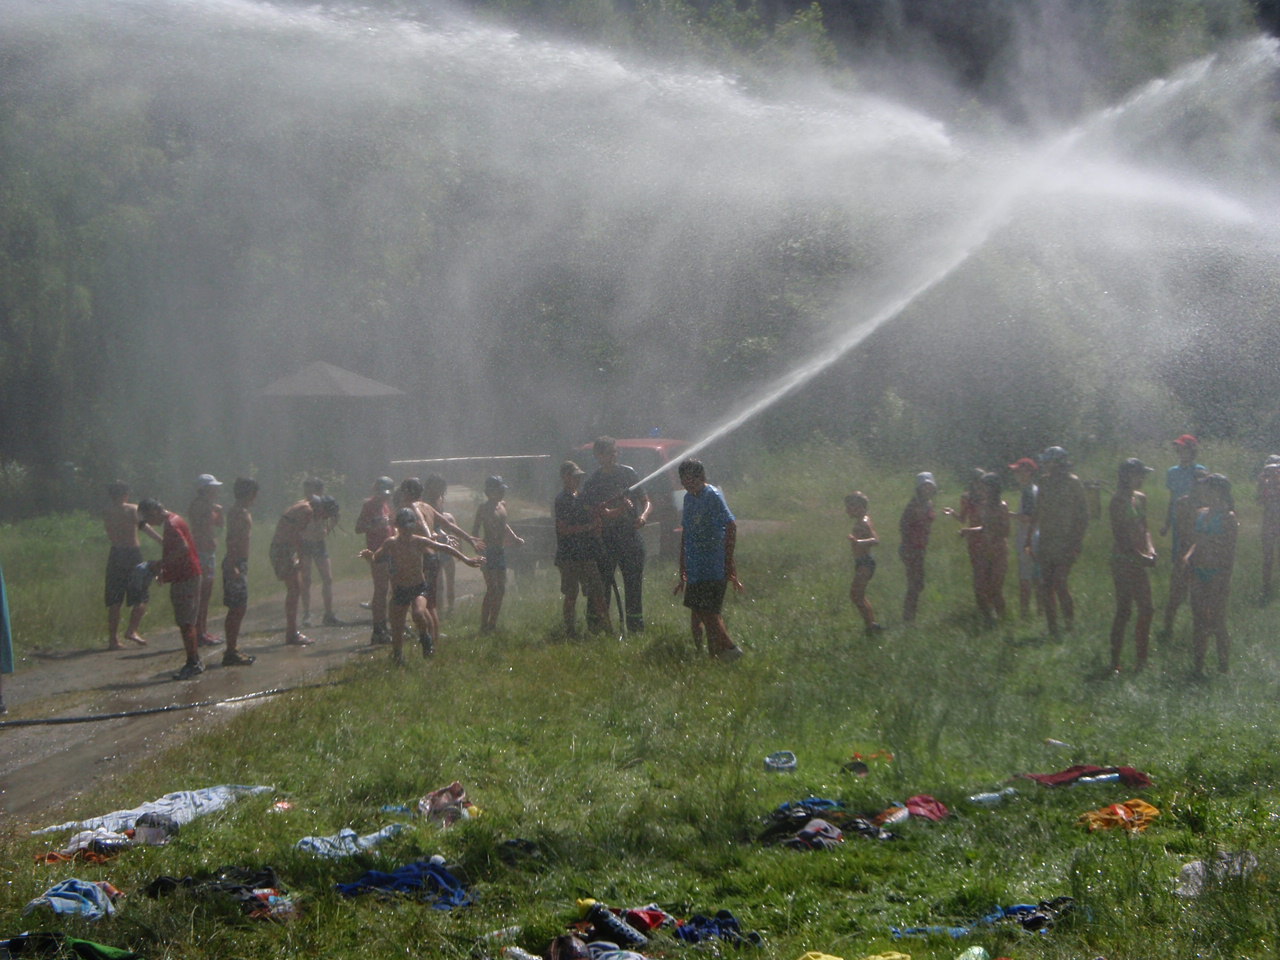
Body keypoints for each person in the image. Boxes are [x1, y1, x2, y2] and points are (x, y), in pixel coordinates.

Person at [360, 508, 481, 664]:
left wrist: (466, 559)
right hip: (399, 589)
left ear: (415, 526)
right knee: (397, 625)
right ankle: (397, 656)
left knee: (418, 612)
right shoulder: (391, 543)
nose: (406, 532)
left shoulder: (418, 541)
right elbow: (377, 558)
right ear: (397, 527)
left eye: (409, 528)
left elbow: (443, 548)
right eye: (403, 528)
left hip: (419, 588)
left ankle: (425, 638)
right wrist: (369, 557)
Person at [398, 477, 483, 648]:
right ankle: (434, 643)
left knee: (423, 605)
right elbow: (448, 525)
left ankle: (429, 642)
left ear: (407, 492)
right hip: (433, 558)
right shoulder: (427, 506)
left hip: (423, 559)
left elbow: (424, 524)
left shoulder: (413, 507)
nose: (400, 495)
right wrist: (469, 538)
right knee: (430, 605)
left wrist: (430, 535)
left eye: (402, 492)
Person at [674, 458, 743, 659]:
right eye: (684, 480)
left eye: (691, 479)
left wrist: (728, 561)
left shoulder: (712, 495)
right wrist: (683, 565)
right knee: (699, 611)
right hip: (695, 566)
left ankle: (730, 648)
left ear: (701, 477)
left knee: (708, 611)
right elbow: (686, 532)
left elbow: (731, 526)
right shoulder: (688, 499)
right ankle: (715, 655)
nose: (688, 483)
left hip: (712, 564)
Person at [582, 436, 650, 634]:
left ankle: (635, 629)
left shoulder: (629, 473)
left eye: (615, 452)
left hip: (630, 538)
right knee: (602, 584)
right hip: (607, 541)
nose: (614, 456)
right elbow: (601, 513)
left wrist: (643, 516)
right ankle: (598, 627)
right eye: (609, 453)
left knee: (633, 584)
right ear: (598, 455)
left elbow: (646, 501)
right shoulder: (594, 482)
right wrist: (622, 509)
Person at [137, 499, 204, 680]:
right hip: (187, 575)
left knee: (186, 623)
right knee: (186, 621)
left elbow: (183, 548)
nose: (149, 523)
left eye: (148, 517)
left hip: (186, 577)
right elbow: (174, 549)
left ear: (154, 511)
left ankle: (193, 663)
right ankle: (194, 660)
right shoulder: (174, 520)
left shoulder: (171, 525)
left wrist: (160, 564)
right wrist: (165, 570)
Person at [1031, 446, 1089, 639]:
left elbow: (1083, 516)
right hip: (1046, 540)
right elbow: (1037, 511)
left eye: (1048, 461)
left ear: (1059, 463)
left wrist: (1077, 542)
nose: (1045, 465)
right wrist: (1030, 539)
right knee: (1046, 585)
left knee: (1060, 582)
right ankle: (1052, 628)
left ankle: (1069, 625)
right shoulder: (1043, 482)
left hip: (1066, 541)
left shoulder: (1073, 483)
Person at [1184, 474, 1238, 677]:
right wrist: (1187, 557)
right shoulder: (1201, 513)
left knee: (1217, 621)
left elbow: (1229, 552)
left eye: (1207, 488)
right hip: (1198, 571)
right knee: (1199, 620)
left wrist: (1223, 578)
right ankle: (1198, 666)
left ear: (1219, 491)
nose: (1203, 492)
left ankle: (1223, 667)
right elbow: (1196, 541)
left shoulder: (1229, 518)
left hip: (1218, 574)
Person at [269, 493, 340, 647]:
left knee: (295, 589)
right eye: (325, 515)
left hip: (282, 548)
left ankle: (292, 631)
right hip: (284, 550)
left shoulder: (304, 505)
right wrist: (300, 559)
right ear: (322, 508)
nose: (322, 518)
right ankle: (291, 634)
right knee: (295, 590)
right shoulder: (307, 511)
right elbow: (297, 536)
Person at [1108, 459, 1156, 674]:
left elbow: (1145, 529)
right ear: (1127, 475)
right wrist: (1140, 556)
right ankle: (1115, 662)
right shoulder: (1117, 501)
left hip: (1139, 559)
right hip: (1123, 561)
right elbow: (1120, 536)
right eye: (1139, 474)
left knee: (1147, 609)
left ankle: (1141, 660)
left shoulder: (1140, 498)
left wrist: (1151, 550)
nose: (1142, 478)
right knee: (1124, 610)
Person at [102, 480, 161, 650]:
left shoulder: (107, 511)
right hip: (132, 554)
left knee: (115, 598)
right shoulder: (132, 509)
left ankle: (113, 639)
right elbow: (145, 528)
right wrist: (162, 541)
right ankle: (132, 630)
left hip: (115, 553)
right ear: (126, 494)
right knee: (141, 594)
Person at [554, 460, 609, 638]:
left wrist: (597, 520)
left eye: (579, 477)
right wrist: (587, 527)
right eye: (574, 476)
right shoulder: (561, 500)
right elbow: (563, 529)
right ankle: (570, 630)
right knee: (571, 594)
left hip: (587, 553)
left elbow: (594, 514)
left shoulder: (583, 497)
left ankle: (607, 628)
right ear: (565, 477)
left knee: (597, 592)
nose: (578, 480)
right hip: (568, 555)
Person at [1158, 467, 1207, 641]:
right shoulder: (1183, 502)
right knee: (1176, 596)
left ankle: (1199, 633)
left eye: (1203, 483)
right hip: (1185, 553)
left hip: (1204, 556)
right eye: (1197, 482)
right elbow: (1183, 531)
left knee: (1200, 599)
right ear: (1192, 483)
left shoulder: (1210, 505)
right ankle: (1167, 629)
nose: (1200, 486)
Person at [473, 475, 525, 633]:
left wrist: (514, 538)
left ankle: (492, 624)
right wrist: (476, 544)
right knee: (492, 588)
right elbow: (475, 530)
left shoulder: (502, 505)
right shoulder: (483, 508)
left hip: (499, 551)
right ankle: (483, 625)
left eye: (503, 489)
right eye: (499, 490)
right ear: (490, 491)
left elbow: (504, 525)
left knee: (501, 589)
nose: (502, 492)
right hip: (488, 551)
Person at [959, 473, 1010, 624]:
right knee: (980, 588)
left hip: (999, 551)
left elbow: (1006, 531)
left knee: (995, 589)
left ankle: (1002, 620)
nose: (981, 490)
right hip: (984, 550)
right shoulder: (984, 506)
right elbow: (984, 527)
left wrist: (991, 532)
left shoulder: (1002, 506)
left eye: (985, 487)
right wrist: (969, 531)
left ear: (993, 488)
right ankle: (988, 619)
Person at [220, 478, 259, 666]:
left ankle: (232, 648)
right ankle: (231, 651)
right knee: (236, 608)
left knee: (239, 607)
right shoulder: (238, 513)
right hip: (235, 562)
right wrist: (233, 564)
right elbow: (232, 539)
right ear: (249, 493)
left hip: (239, 562)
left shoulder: (241, 511)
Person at [355, 476, 396, 645]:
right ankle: (379, 630)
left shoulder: (386, 505)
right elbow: (358, 528)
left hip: (390, 550)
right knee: (381, 590)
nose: (384, 496)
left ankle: (389, 625)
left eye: (387, 494)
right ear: (376, 491)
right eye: (381, 493)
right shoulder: (369, 505)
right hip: (376, 551)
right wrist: (374, 526)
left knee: (391, 589)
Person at [188, 474, 225, 648]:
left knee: (206, 593)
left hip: (208, 551)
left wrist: (218, 512)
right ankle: (199, 632)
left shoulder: (209, 506)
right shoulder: (199, 505)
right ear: (204, 489)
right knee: (202, 593)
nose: (216, 490)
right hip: (201, 551)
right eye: (213, 487)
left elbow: (220, 526)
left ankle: (203, 630)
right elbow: (201, 525)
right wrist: (212, 511)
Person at [298, 478, 341, 628]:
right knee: (306, 579)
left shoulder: (324, 503)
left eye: (313, 489)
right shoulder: (302, 505)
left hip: (319, 543)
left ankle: (328, 614)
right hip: (304, 543)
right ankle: (306, 614)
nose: (310, 493)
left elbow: (336, 515)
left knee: (327, 578)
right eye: (307, 489)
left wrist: (327, 529)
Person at [898, 472, 937, 624]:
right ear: (919, 488)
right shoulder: (914, 505)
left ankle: (909, 615)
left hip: (920, 547)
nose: (927, 489)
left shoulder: (928, 503)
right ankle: (908, 619)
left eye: (929, 486)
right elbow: (903, 526)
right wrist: (909, 546)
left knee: (918, 584)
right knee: (915, 584)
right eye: (924, 486)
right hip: (911, 548)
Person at [845, 492, 883, 635]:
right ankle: (871, 625)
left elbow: (876, 540)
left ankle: (872, 626)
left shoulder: (864, 522)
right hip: (861, 562)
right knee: (858, 595)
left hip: (865, 562)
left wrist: (858, 542)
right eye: (847, 506)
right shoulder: (861, 521)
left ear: (861, 507)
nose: (848, 510)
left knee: (856, 595)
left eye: (851, 506)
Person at [1008, 458, 1040, 618]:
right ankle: (1041, 611)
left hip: (1028, 537)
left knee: (1025, 578)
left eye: (1019, 471)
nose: (1016, 474)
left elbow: (1027, 517)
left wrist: (1008, 514)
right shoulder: (1034, 490)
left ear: (1028, 472)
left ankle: (1025, 613)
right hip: (1034, 536)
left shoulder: (1028, 492)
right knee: (1037, 577)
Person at [1257, 455, 1280, 602]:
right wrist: (1263, 484)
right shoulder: (1264, 482)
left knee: (1271, 556)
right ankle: (1266, 586)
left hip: (1273, 521)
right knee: (1268, 556)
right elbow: (1260, 500)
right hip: (1269, 521)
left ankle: (1270, 587)